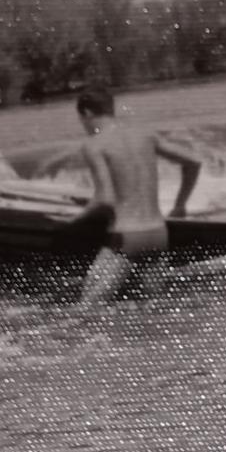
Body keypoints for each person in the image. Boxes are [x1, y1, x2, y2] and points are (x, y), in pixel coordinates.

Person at [68, 87, 202, 302]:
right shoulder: (145, 135)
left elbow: (105, 199)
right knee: (153, 309)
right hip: (158, 234)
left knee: (86, 309)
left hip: (126, 238)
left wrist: (73, 220)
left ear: (86, 114)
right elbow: (194, 162)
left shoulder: (94, 145)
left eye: (81, 119)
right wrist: (180, 205)